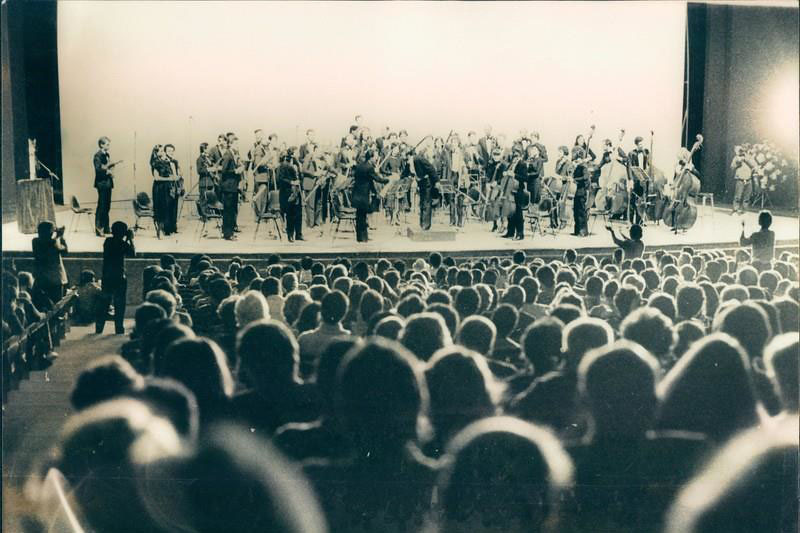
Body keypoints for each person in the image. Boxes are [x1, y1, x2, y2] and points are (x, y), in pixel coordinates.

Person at [96, 221, 135, 334]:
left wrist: (125, 238)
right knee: (120, 304)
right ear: (123, 232)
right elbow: (132, 253)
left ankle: (99, 328)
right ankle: (119, 328)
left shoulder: (108, 241)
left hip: (107, 276)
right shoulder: (123, 244)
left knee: (105, 302)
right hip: (119, 277)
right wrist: (130, 239)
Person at [352, 150, 388, 242]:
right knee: (363, 217)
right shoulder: (369, 168)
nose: (376, 159)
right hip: (364, 196)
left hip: (356, 194)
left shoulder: (359, 166)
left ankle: (360, 238)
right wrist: (388, 180)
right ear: (371, 158)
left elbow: (367, 180)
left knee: (359, 216)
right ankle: (364, 238)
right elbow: (378, 179)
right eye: (375, 157)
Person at [31, 220, 68, 308]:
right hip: (55, 279)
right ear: (50, 232)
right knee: (56, 305)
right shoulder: (54, 243)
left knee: (39, 304)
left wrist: (55, 235)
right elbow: (65, 251)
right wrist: (61, 237)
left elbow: (49, 243)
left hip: (41, 277)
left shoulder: (35, 241)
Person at [219, 135, 244, 241]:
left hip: (232, 187)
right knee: (228, 211)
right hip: (228, 188)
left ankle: (230, 232)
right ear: (230, 144)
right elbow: (223, 171)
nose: (238, 146)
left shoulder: (232, 154)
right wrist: (236, 171)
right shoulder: (227, 155)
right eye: (236, 143)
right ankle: (227, 234)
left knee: (232, 210)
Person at [92, 136, 116, 236]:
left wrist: (111, 170)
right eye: (107, 144)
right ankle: (99, 229)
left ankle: (106, 228)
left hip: (108, 184)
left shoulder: (107, 154)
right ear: (101, 145)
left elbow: (107, 166)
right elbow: (98, 170)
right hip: (102, 183)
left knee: (107, 206)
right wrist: (108, 171)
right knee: (102, 206)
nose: (108, 146)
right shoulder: (97, 155)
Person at [278, 153, 304, 242]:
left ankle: (299, 234)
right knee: (290, 214)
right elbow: (280, 179)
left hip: (297, 192)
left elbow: (300, 177)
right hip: (287, 193)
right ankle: (290, 235)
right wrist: (291, 182)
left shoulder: (296, 164)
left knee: (299, 213)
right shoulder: (283, 166)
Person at [413, 142, 439, 231]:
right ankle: (423, 223)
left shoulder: (418, 159)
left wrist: (437, 181)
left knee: (426, 203)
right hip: (423, 182)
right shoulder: (416, 159)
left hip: (427, 183)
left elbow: (431, 169)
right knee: (423, 203)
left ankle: (425, 225)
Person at [150, 145, 175, 238]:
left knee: (167, 208)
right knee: (160, 208)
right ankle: (159, 230)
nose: (163, 153)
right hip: (159, 188)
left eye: (162, 151)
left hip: (166, 188)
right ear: (156, 153)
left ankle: (166, 229)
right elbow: (156, 178)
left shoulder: (165, 162)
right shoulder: (155, 163)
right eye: (160, 151)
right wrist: (169, 178)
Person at [730, 145, 757, 214]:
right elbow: (732, 167)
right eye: (741, 150)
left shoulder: (750, 157)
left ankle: (744, 211)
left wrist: (746, 159)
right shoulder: (736, 158)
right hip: (740, 179)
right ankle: (735, 210)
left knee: (747, 198)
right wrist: (738, 163)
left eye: (744, 150)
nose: (743, 152)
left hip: (748, 179)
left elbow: (754, 166)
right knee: (737, 196)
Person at [571, 147, 590, 236]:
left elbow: (585, 177)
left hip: (581, 191)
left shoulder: (583, 166)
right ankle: (577, 230)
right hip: (576, 191)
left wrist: (575, 179)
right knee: (576, 211)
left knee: (581, 212)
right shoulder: (578, 166)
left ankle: (583, 231)